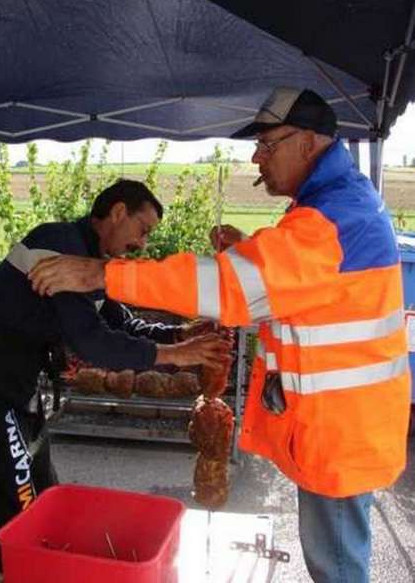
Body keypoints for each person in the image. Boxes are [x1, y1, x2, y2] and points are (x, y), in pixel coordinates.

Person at [28, 88, 411, 583]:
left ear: (311, 143)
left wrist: (102, 276)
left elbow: (232, 287)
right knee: (335, 556)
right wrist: (253, 251)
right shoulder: (339, 206)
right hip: (343, 422)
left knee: (336, 565)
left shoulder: (331, 217)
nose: (257, 156)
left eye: (269, 144)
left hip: (339, 429)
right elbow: (312, 286)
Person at [0, 178, 231, 572]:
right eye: (143, 229)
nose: (143, 243)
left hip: (19, 384)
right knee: (16, 491)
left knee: (41, 484)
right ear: (118, 211)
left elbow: (120, 324)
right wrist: (174, 353)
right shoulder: (57, 243)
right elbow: (91, 340)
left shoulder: (88, 257)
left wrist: (179, 335)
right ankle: (2, 568)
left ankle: (25, 565)